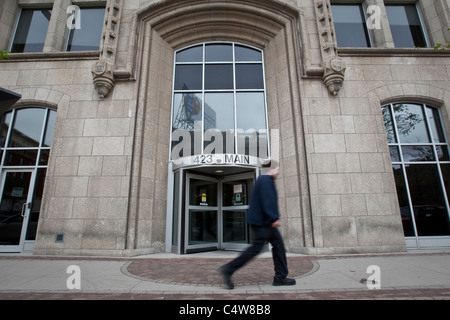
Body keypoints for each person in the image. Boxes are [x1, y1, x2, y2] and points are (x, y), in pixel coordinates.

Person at [218, 165, 296, 289]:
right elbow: (268, 201)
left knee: (277, 246)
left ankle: (280, 277)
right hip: (263, 223)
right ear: (271, 170)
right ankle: (228, 269)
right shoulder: (266, 180)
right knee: (256, 249)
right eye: (277, 170)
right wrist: (274, 218)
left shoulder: (263, 179)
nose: (278, 173)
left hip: (263, 222)